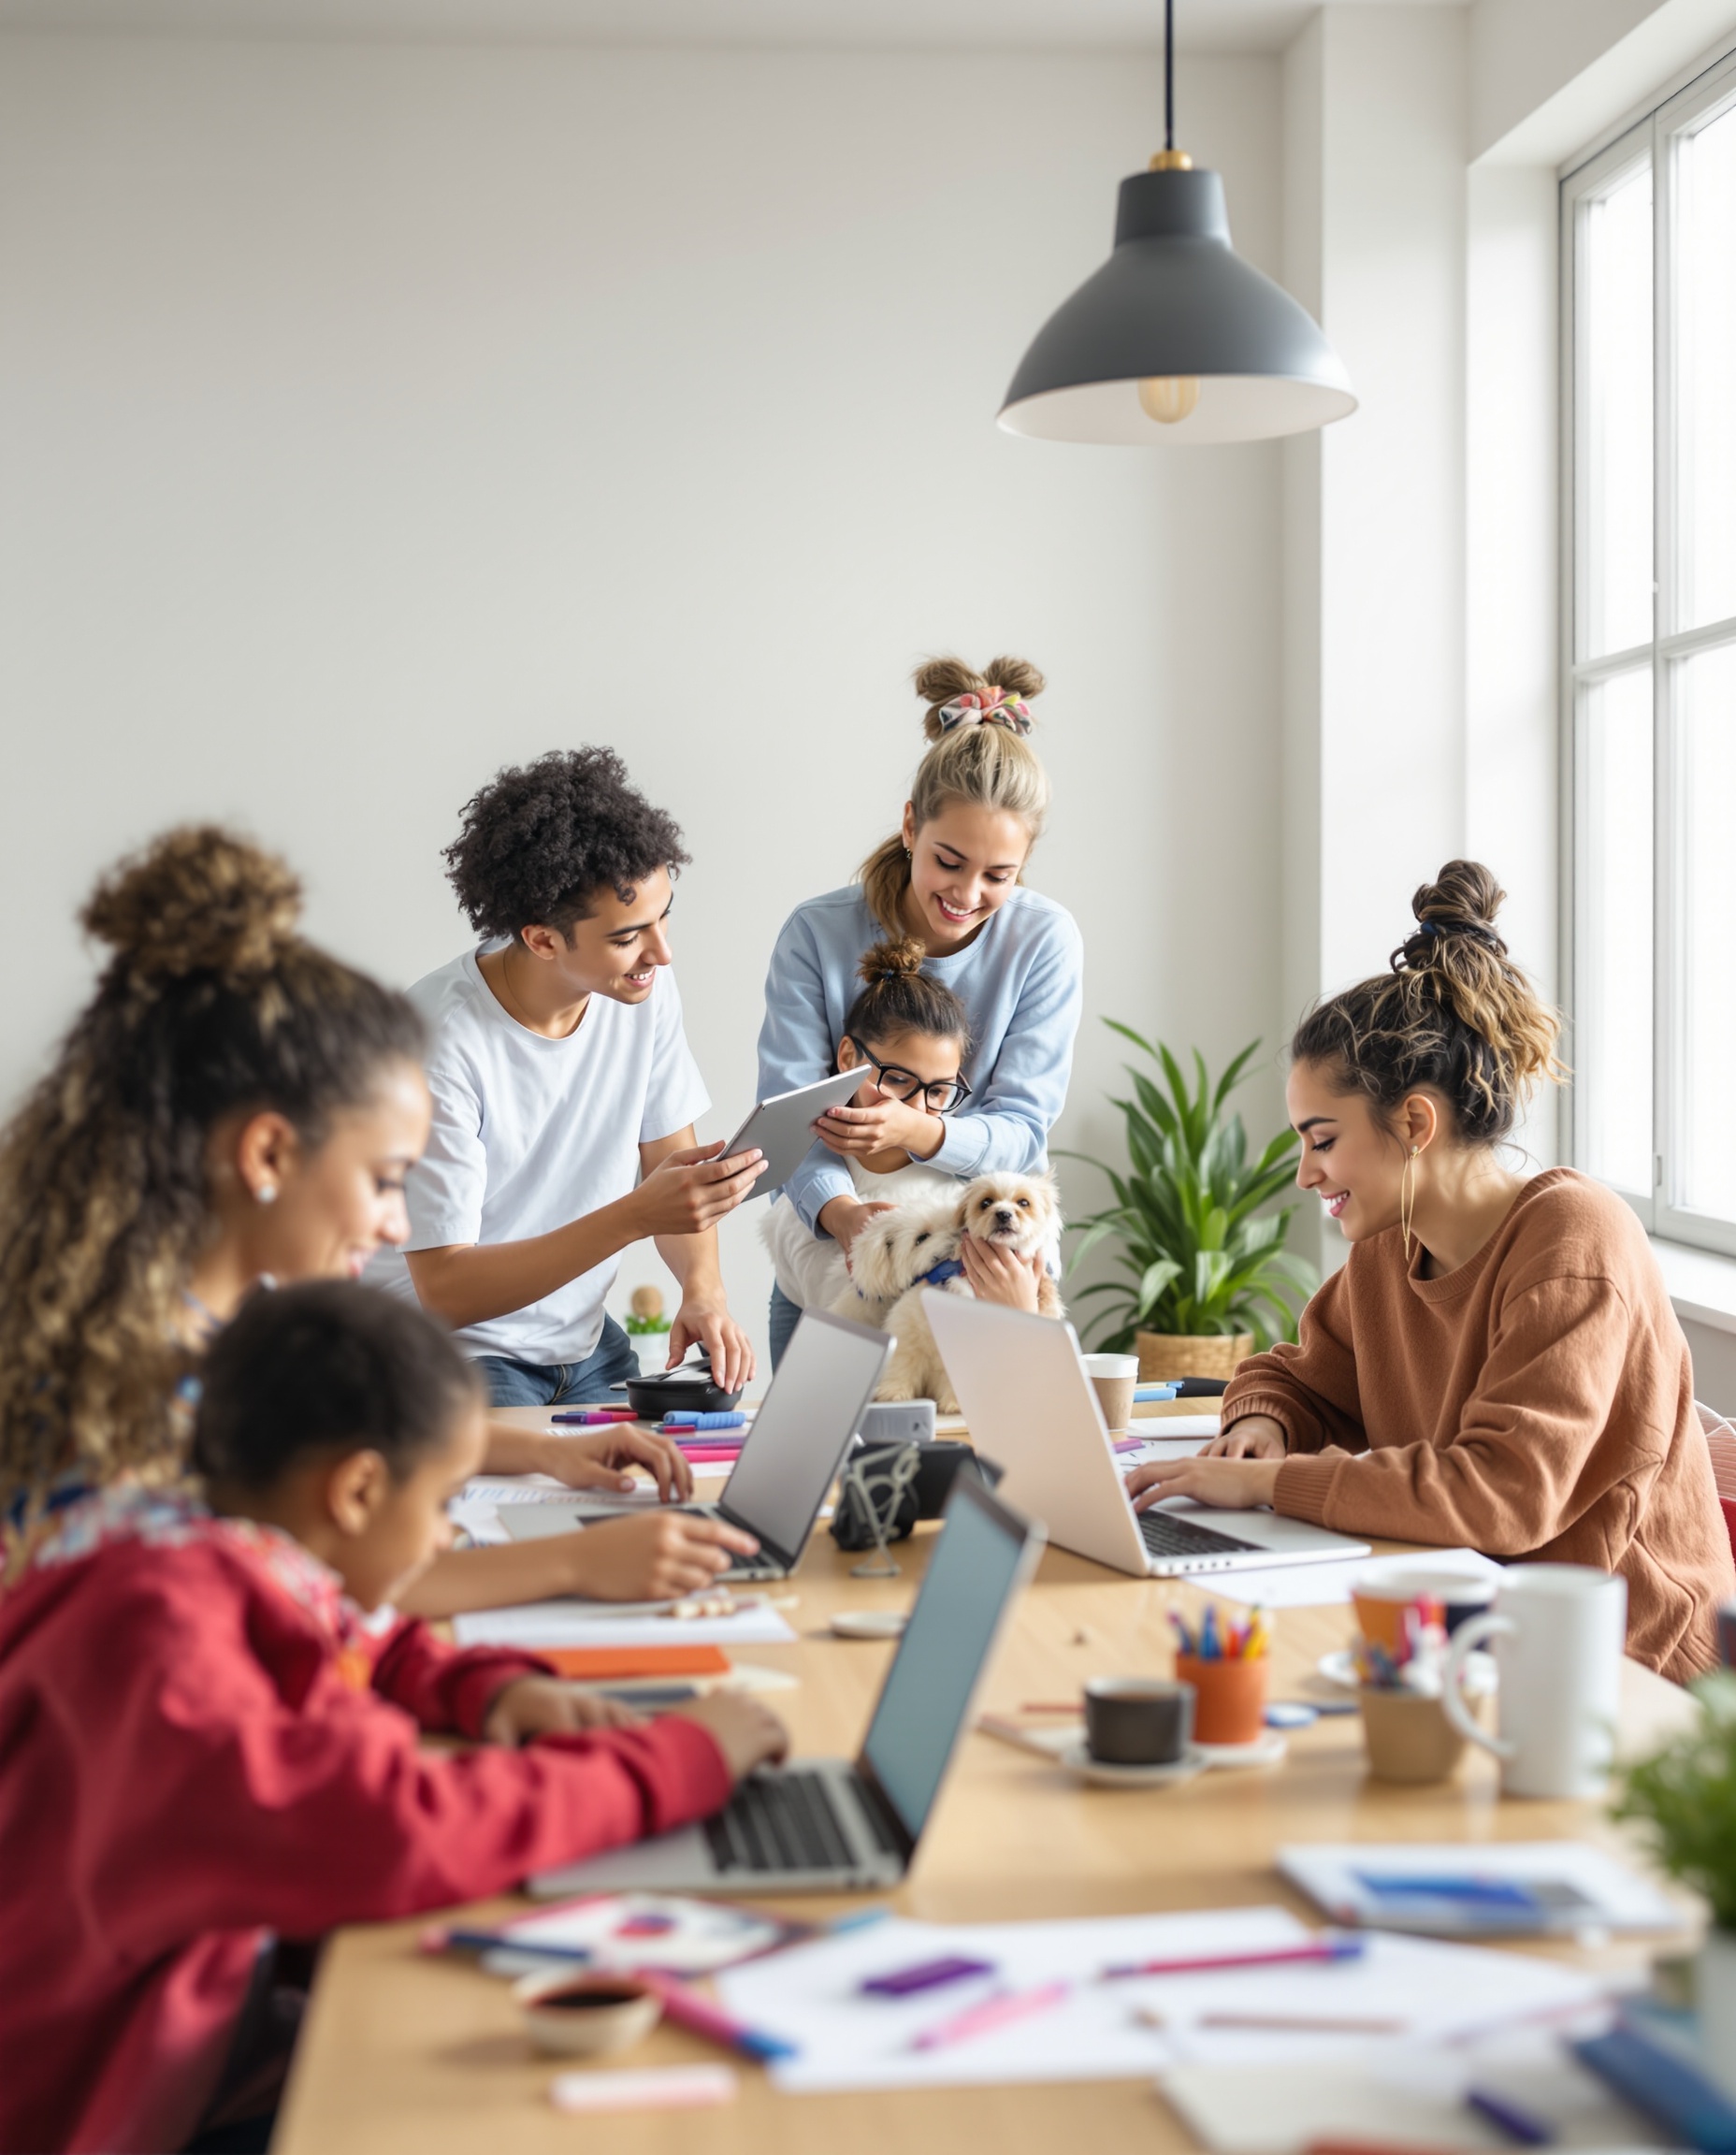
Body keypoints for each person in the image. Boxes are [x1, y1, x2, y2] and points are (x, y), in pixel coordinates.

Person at [0, 1280, 786, 2155]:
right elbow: (396, 1830)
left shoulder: (199, 1550)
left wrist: (489, 1691)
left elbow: (357, 1642)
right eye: (443, 1504)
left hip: (192, 2017)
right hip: (102, 2103)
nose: (447, 1541)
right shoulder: (164, 1653)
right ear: (359, 1493)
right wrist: (674, 1765)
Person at [0, 826, 760, 1610]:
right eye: (384, 1180)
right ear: (268, 1156)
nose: (398, 1229)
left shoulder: (211, 1332)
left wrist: (544, 1453)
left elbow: (323, 1439)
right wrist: (572, 1565)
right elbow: (308, 1599)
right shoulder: (137, 1410)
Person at [1126, 861, 1735, 1684]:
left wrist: (1274, 1485)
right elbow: (1299, 1377)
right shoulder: (1391, 1242)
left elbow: (1501, 1494)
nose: (1307, 1175)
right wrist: (1260, 1427)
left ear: (1415, 1121)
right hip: (1476, 1627)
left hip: (1622, 1665)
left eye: (1322, 1138)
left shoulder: (1575, 1247)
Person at [375, 748, 761, 1406]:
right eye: (628, 937)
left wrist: (704, 1291)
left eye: (664, 917)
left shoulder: (641, 990)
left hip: (583, 1345)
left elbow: (670, 1162)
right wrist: (635, 1215)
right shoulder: (437, 1044)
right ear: (543, 939)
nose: (661, 953)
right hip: (454, 1350)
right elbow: (445, 1289)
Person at [757, 657, 1083, 1364]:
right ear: (910, 826)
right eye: (949, 860)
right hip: (838, 1257)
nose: (967, 893)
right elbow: (785, 1117)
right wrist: (842, 1214)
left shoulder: (1045, 940)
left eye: (999, 875)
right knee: (820, 1470)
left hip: (980, 1271)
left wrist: (919, 1128)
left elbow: (1023, 1130)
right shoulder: (817, 934)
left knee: (984, 1466)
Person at [762, 937, 1049, 1333]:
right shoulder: (808, 1180)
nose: (913, 1111)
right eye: (896, 1079)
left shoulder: (966, 1191)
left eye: (938, 1091)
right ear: (848, 1057)